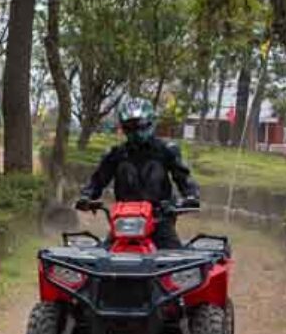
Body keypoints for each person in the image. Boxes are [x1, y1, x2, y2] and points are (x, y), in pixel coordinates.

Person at [76, 97, 200, 249]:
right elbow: (97, 180)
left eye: (140, 126)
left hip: (159, 219)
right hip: (124, 220)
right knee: (100, 258)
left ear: (150, 123)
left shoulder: (166, 150)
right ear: (124, 128)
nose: (136, 132)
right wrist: (86, 196)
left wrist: (190, 196)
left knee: (179, 262)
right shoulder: (116, 154)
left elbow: (184, 177)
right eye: (130, 127)